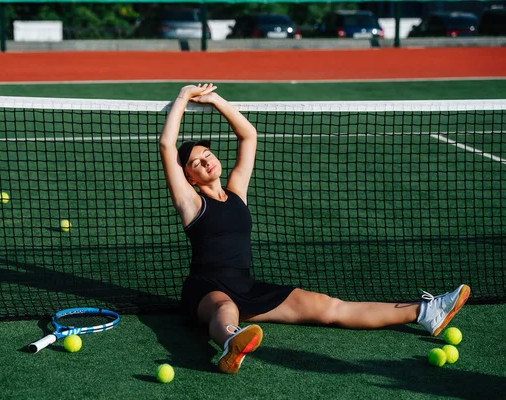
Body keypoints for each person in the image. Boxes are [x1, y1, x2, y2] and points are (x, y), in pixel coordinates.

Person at [158, 83, 471, 374]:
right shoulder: (191, 203)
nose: (206, 161)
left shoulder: (237, 190)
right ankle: (231, 344)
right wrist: (184, 97)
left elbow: (248, 136)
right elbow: (166, 144)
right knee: (224, 308)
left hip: (247, 286)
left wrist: (215, 100)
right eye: (196, 163)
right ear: (191, 179)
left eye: (207, 154)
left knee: (329, 307)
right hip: (206, 288)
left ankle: (426, 312)